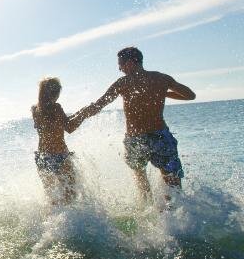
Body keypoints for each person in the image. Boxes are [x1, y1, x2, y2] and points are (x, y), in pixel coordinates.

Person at [69, 46, 196, 201]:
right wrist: (163, 92)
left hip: (135, 139)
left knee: (142, 182)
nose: (119, 68)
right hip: (160, 135)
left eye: (121, 65)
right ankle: (178, 218)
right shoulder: (161, 78)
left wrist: (78, 116)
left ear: (129, 63)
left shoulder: (123, 82)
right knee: (173, 183)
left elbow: (98, 106)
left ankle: (149, 213)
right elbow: (190, 95)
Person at [32, 77, 81, 205]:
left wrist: (78, 113)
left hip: (43, 158)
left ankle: (53, 221)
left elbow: (55, 123)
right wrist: (84, 114)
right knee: (71, 195)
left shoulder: (35, 110)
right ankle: (73, 223)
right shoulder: (57, 108)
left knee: (52, 198)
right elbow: (69, 127)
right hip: (60, 156)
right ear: (55, 93)